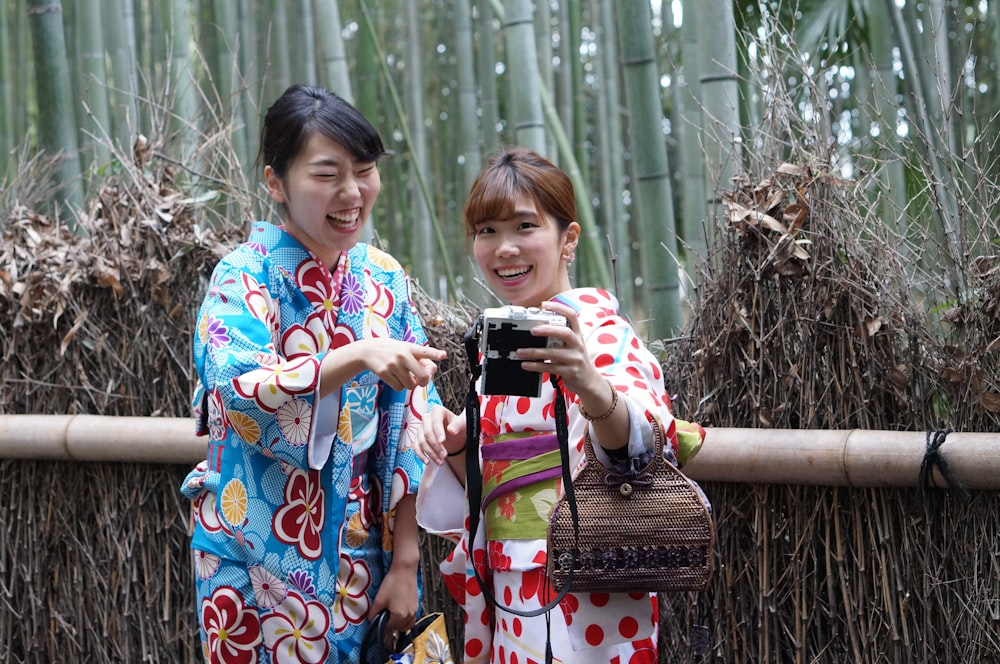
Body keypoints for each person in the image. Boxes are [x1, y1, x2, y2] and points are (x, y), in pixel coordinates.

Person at [180, 83, 446, 664]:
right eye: (327, 174)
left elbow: (412, 423)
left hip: (364, 559)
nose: (351, 192)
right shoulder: (242, 274)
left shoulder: (385, 278)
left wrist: (405, 562)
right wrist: (354, 357)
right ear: (276, 182)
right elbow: (237, 382)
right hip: (251, 553)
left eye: (365, 170)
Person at [413, 147, 706, 664]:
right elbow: (485, 482)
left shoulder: (601, 331)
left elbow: (642, 448)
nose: (504, 248)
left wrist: (590, 383)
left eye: (525, 226)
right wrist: (458, 445)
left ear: (568, 239)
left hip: (589, 573)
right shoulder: (502, 343)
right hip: (510, 579)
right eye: (486, 231)